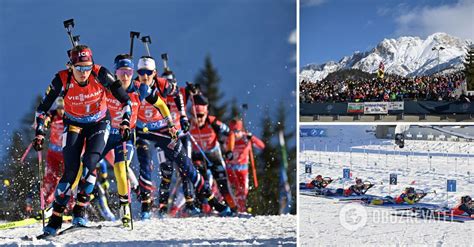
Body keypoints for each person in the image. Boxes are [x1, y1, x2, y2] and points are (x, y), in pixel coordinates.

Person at [33, 45, 132, 236]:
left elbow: (125, 100)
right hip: (73, 125)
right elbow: (42, 109)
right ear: (71, 66)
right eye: (79, 68)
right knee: (70, 172)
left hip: (99, 124)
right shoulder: (61, 79)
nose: (84, 73)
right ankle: (55, 220)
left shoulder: (101, 74)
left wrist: (126, 122)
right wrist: (39, 133)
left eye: (87, 67)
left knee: (89, 164)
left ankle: (80, 211)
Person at [134, 56, 231, 219]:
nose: (145, 76)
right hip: (143, 132)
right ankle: (147, 208)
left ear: (154, 73)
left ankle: (212, 200)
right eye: (141, 72)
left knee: (186, 165)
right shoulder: (134, 85)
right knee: (149, 166)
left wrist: (183, 116)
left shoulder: (162, 84)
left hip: (164, 131)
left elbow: (179, 93)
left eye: (148, 72)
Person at [97, 54, 150, 226]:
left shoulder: (139, 89)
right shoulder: (109, 87)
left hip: (125, 135)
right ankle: (74, 206)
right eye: (121, 71)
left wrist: (171, 122)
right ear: (115, 72)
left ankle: (124, 207)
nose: (125, 75)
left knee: (121, 169)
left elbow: (159, 102)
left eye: (128, 71)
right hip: (106, 133)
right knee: (88, 164)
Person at [189, 100, 237, 212]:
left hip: (214, 156)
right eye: (195, 116)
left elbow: (230, 133)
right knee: (199, 185)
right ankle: (200, 211)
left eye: (201, 115)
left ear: (206, 114)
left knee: (223, 187)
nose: (198, 119)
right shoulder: (188, 124)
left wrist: (229, 150)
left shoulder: (213, 122)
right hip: (198, 157)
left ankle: (233, 209)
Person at [226, 119, 265, 212]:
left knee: (243, 192)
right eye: (233, 131)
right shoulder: (228, 138)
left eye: (237, 131)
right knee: (231, 190)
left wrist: (252, 138)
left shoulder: (245, 138)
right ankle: (231, 209)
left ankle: (241, 210)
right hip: (230, 169)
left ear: (241, 130)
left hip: (242, 169)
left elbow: (262, 146)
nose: (235, 134)